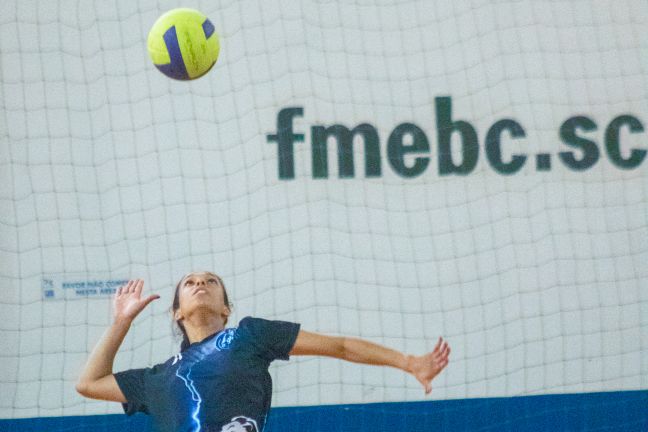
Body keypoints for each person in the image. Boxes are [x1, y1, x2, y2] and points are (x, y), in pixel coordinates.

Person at [76, 272, 451, 432]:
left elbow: (340, 346)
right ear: (177, 312)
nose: (200, 284)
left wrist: (407, 363)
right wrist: (121, 323)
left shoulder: (249, 335)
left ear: (227, 308)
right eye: (189, 283)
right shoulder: (155, 378)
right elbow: (89, 383)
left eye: (211, 281)